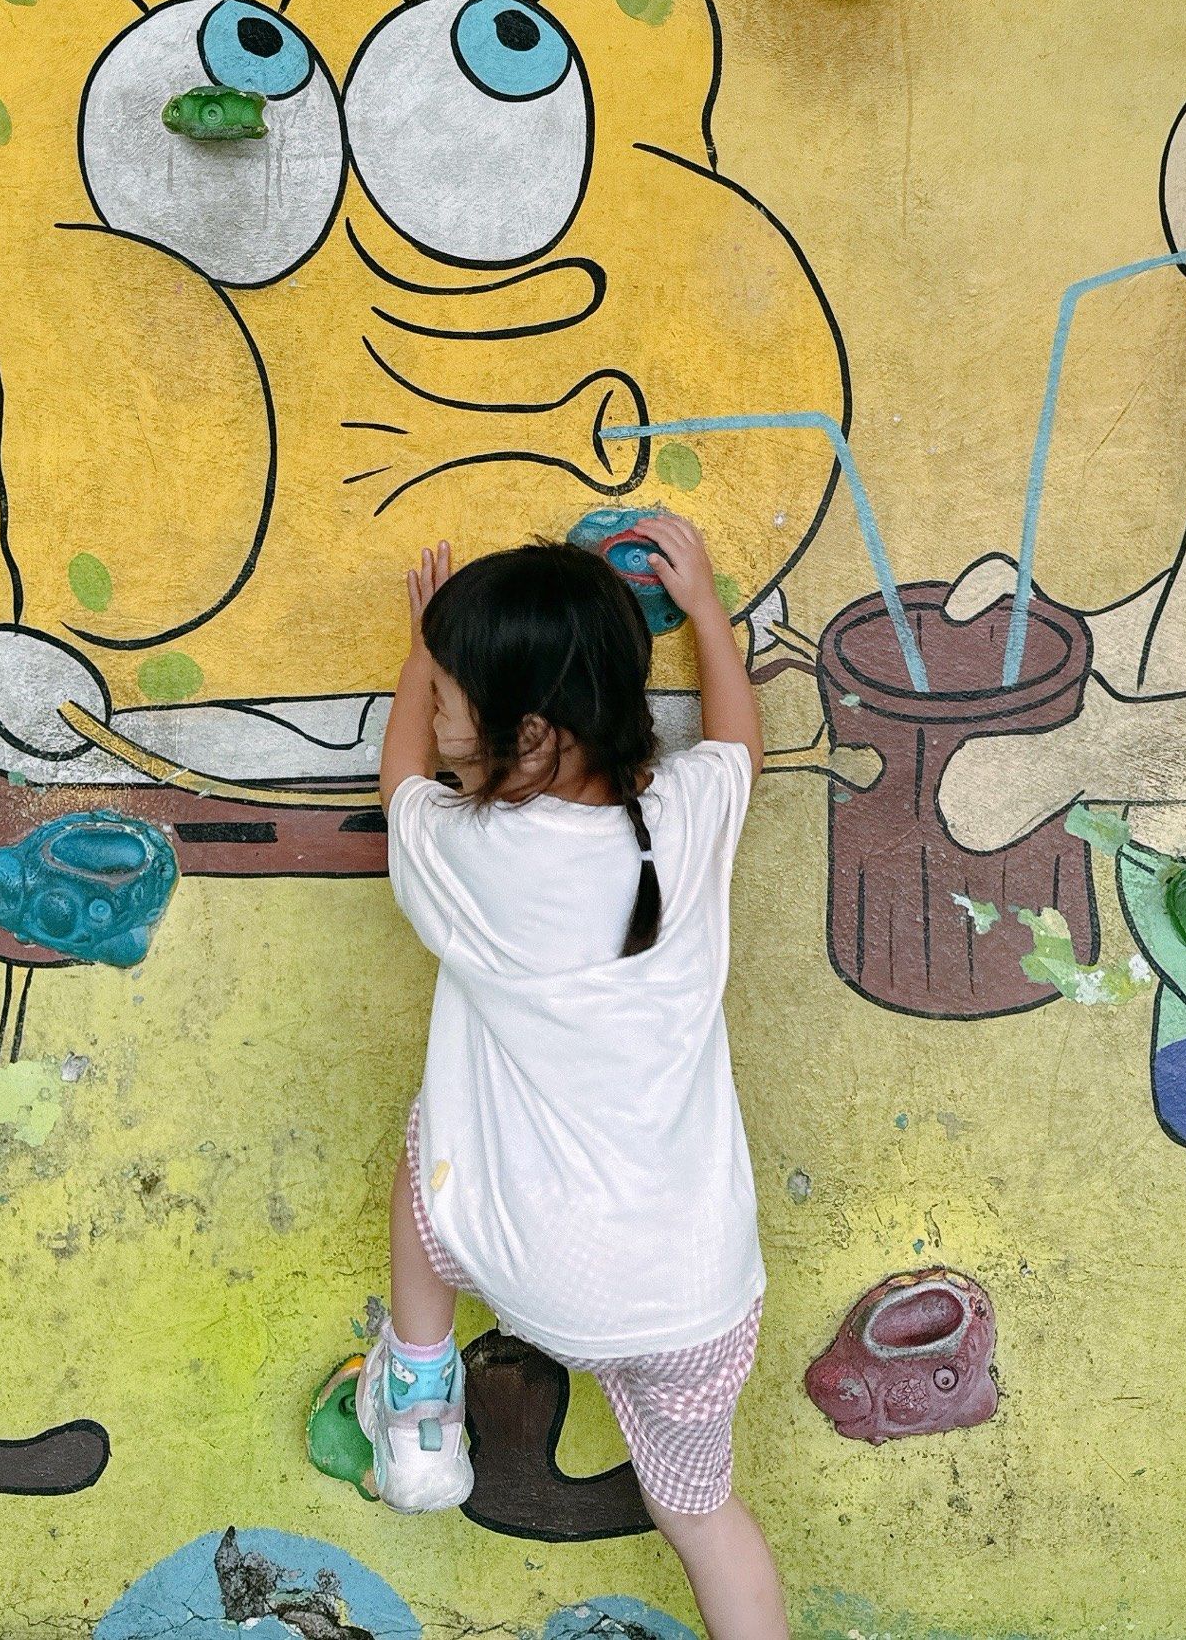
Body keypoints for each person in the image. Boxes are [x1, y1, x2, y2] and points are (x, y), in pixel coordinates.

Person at [359, 519, 789, 1640]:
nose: (440, 711)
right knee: (700, 1514)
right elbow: (738, 749)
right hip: (700, 1298)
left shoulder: (465, 851)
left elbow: (398, 774)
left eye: (453, 692)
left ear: (529, 731)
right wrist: (705, 617)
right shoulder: (685, 821)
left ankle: (416, 1398)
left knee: (426, 1143)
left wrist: (412, 645)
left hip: (541, 1277)